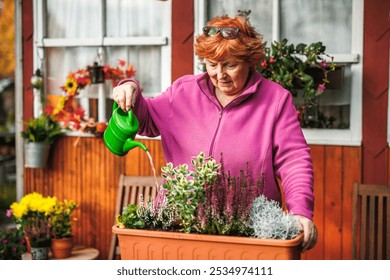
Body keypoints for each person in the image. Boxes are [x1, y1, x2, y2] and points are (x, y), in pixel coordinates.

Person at [112, 14, 317, 252]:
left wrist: (300, 210)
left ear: (249, 60)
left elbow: (294, 161)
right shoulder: (183, 92)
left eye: (230, 65)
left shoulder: (275, 101)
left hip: (246, 233)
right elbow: (145, 119)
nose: (220, 75)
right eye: (212, 64)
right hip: (180, 228)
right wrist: (130, 89)